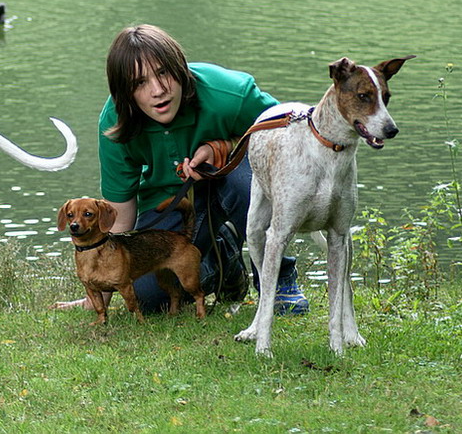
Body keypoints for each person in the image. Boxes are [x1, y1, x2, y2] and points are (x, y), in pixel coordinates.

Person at [54, 24, 308, 315]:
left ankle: (280, 281)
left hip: (236, 182)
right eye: (139, 83)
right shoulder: (113, 123)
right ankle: (222, 264)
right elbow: (118, 216)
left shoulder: (228, 92)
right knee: (149, 298)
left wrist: (223, 147)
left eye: (163, 72)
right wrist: (100, 294)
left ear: (180, 67)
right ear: (125, 92)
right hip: (172, 206)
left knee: (247, 184)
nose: (158, 90)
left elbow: (292, 134)